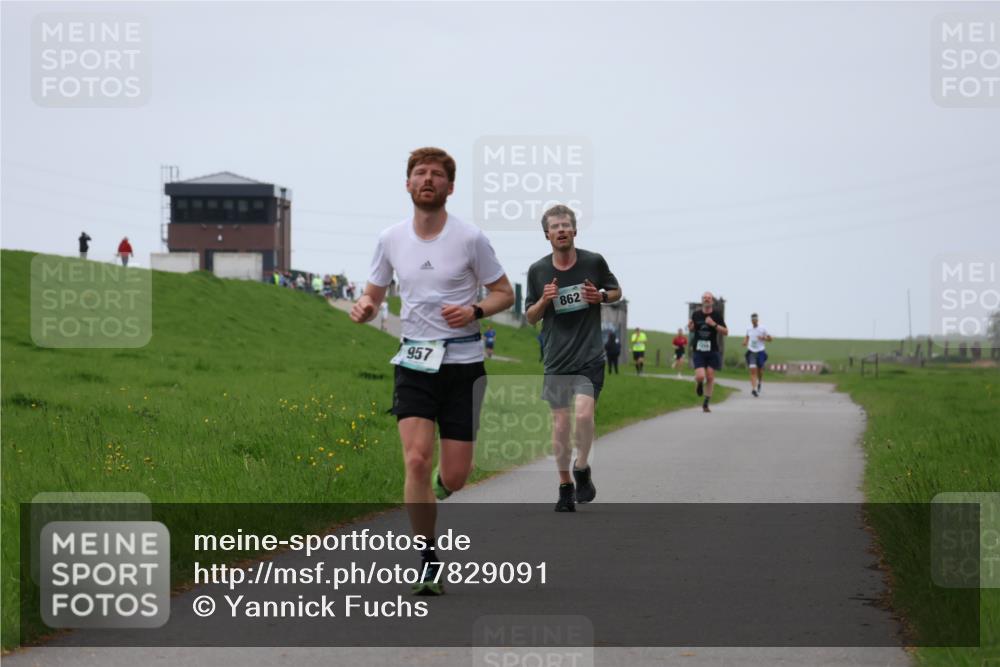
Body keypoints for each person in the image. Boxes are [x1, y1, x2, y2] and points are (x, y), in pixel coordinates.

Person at [350, 147, 514, 595]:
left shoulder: (470, 239)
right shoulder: (390, 239)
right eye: (419, 173)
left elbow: (505, 292)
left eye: (437, 174)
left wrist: (476, 308)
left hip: (464, 364)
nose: (428, 179)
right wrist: (365, 307)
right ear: (407, 184)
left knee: (456, 476)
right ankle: (427, 561)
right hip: (415, 362)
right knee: (417, 459)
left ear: (450, 187)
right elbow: (374, 295)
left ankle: (437, 492)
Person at [525, 204, 622, 513]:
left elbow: (616, 290)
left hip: (589, 356)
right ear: (547, 234)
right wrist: (544, 299)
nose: (562, 229)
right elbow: (530, 316)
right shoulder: (538, 270)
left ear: (575, 230)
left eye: (566, 225)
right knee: (562, 425)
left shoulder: (594, 262)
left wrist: (602, 297)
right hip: (556, 359)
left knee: (583, 415)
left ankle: (582, 466)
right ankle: (565, 485)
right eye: (555, 226)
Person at [688, 291, 728, 413]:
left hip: (712, 351)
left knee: (710, 377)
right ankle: (699, 383)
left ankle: (706, 403)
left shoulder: (716, 315)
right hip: (699, 350)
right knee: (700, 376)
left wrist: (714, 324)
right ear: (701, 300)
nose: (706, 299)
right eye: (704, 298)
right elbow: (693, 329)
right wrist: (691, 328)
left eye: (709, 298)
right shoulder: (696, 314)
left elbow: (726, 331)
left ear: (712, 301)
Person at [742, 312, 773, 397]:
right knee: (752, 370)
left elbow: (770, 339)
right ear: (751, 320)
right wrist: (745, 341)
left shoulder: (763, 328)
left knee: (760, 371)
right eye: (752, 320)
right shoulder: (749, 328)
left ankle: (759, 382)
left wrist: (763, 338)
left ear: (757, 320)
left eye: (755, 319)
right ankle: (754, 389)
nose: (754, 321)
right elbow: (747, 337)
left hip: (760, 352)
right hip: (752, 351)